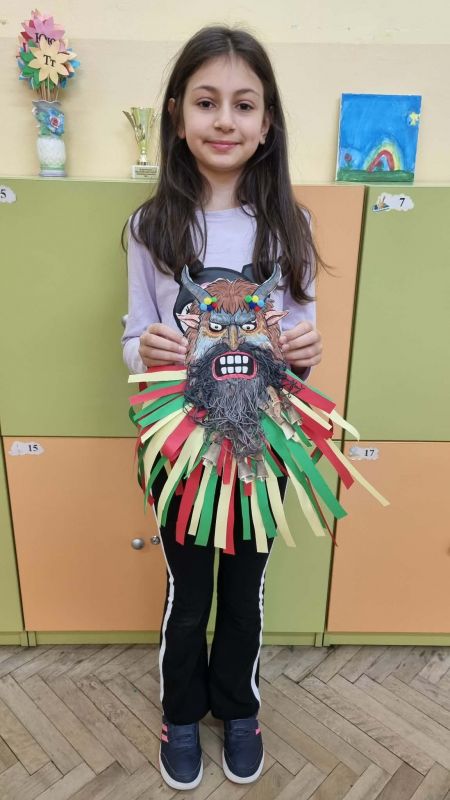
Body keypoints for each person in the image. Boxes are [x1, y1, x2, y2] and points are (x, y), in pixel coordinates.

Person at [121, 25, 324, 791]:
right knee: (189, 590)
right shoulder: (151, 226)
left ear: (267, 124)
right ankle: (181, 711)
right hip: (180, 449)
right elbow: (134, 335)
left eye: (244, 104)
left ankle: (240, 708)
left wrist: (304, 352)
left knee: (245, 591)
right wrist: (146, 350)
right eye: (207, 102)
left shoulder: (291, 225)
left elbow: (301, 345)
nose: (225, 120)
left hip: (265, 444)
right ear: (178, 116)